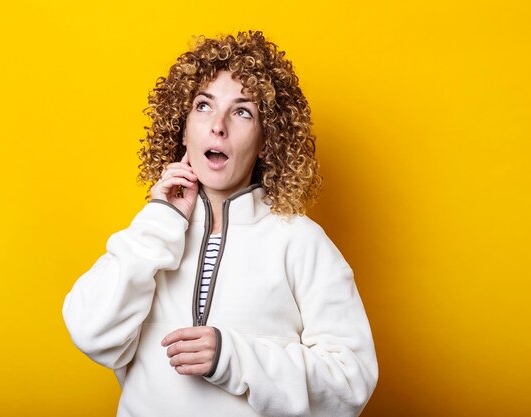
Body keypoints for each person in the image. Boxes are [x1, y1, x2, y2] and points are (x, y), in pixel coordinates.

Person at [63, 31, 378, 417]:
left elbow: (351, 381)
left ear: (267, 140)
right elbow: (90, 331)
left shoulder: (300, 241)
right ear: (182, 127)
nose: (218, 126)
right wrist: (160, 218)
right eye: (203, 106)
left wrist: (233, 357)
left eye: (242, 111)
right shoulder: (153, 235)